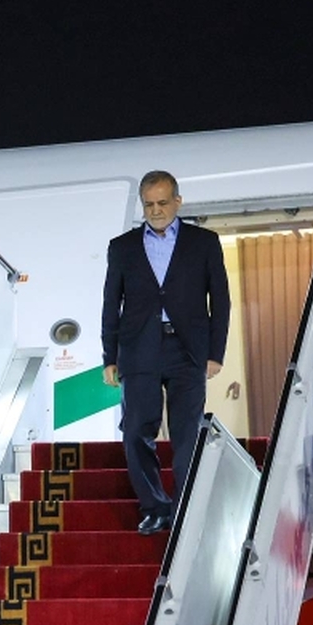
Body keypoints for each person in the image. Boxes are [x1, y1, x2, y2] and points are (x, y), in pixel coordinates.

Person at [101, 170, 229, 535]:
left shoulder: (204, 242)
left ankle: (187, 508)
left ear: (178, 201)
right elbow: (111, 304)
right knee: (136, 430)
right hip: (138, 349)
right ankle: (155, 507)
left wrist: (216, 352)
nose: (155, 210)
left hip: (187, 349)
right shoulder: (122, 247)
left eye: (162, 203)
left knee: (187, 432)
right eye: (148, 205)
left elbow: (220, 300)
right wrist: (110, 357)